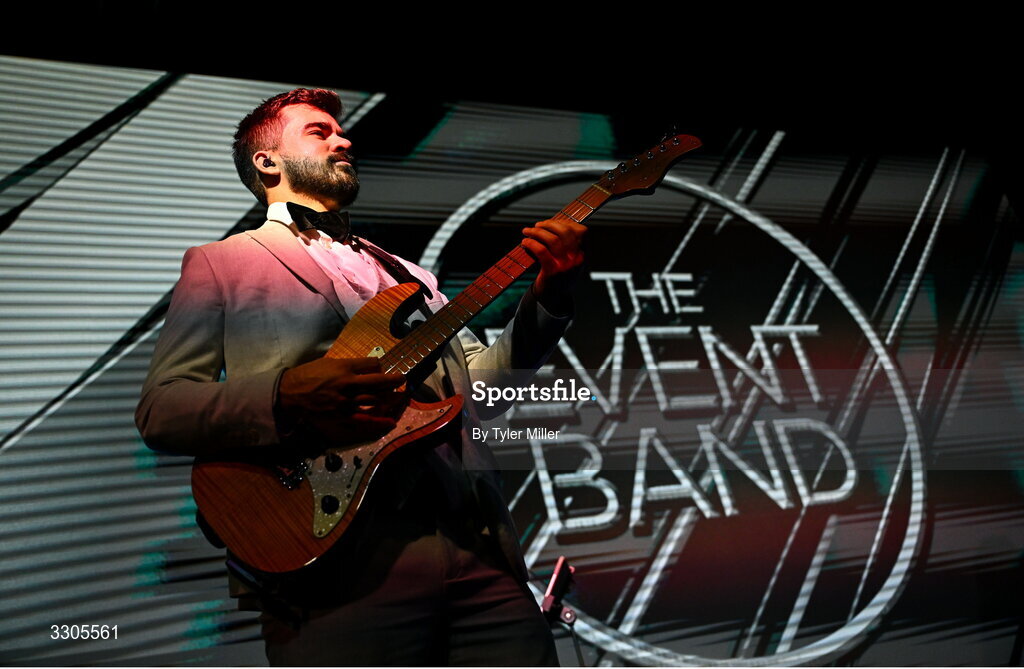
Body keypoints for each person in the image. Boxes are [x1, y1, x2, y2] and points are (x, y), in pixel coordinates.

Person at [135, 88, 585, 666]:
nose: (343, 139)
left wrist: (550, 296)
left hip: (475, 546)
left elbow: (484, 393)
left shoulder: (409, 273)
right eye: (318, 132)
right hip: (334, 560)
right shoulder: (223, 262)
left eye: (340, 131)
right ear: (266, 161)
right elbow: (161, 409)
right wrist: (287, 394)